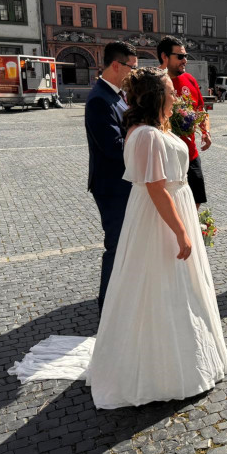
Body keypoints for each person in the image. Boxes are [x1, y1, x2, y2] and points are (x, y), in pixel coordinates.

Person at [10, 68, 227, 408]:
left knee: (173, 285)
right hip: (158, 219)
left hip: (171, 208)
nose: (176, 96)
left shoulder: (155, 129)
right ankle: (158, 366)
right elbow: (156, 189)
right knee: (157, 283)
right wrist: (181, 231)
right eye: (171, 91)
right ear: (156, 96)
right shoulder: (146, 135)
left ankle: (179, 353)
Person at [85, 40, 137, 312]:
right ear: (117, 65)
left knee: (127, 243)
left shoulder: (118, 94)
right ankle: (107, 307)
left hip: (124, 182)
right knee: (116, 245)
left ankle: (122, 298)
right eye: (132, 67)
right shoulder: (99, 99)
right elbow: (114, 147)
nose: (134, 72)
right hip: (112, 186)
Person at [157, 35, 211, 209]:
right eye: (180, 56)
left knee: (196, 199)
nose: (185, 60)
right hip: (165, 157)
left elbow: (201, 111)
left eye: (185, 56)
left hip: (190, 153)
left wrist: (206, 132)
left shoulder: (190, 79)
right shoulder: (154, 82)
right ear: (164, 56)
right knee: (170, 203)